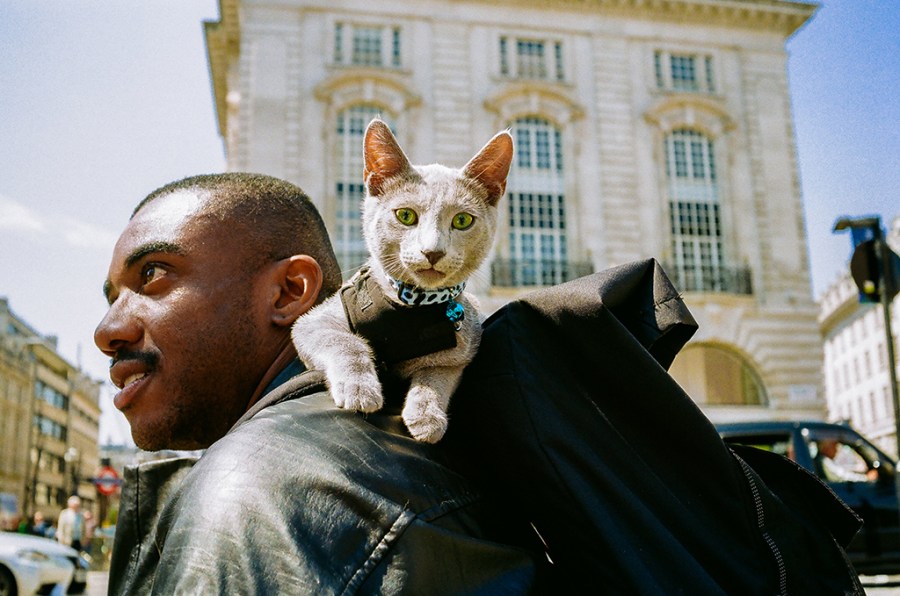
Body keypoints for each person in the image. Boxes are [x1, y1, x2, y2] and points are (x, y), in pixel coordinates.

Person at [94, 173, 536, 594]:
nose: (106, 330)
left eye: (151, 274)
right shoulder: (408, 450)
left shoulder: (252, 490)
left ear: (289, 291)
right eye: (112, 298)